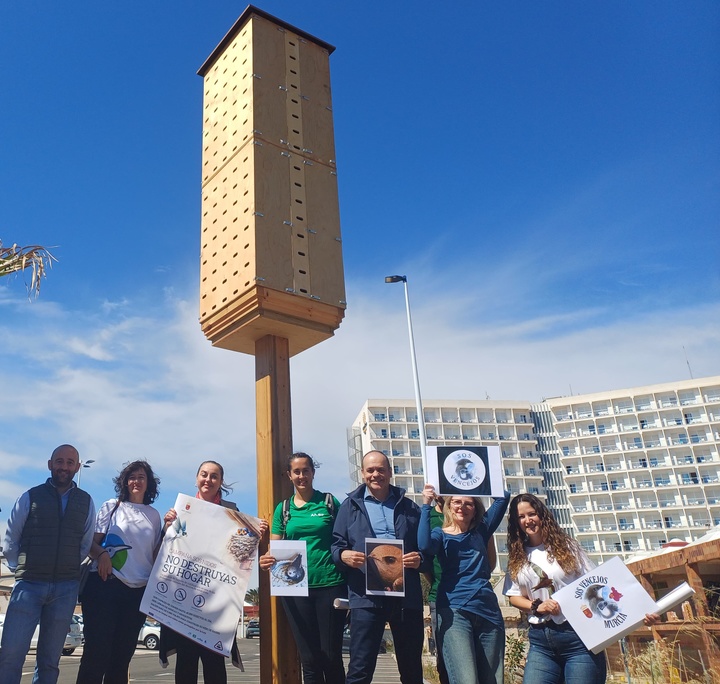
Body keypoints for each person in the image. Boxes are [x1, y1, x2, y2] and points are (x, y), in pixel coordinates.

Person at [503, 493, 659, 684]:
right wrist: (537, 607)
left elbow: (599, 583)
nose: (528, 520)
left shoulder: (567, 547)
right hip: (541, 642)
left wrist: (638, 612)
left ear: (542, 515)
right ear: (516, 522)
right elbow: (514, 596)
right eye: (521, 517)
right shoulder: (516, 557)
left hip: (578, 637)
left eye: (532, 513)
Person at [159, 460, 266, 684]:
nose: (208, 480)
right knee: (186, 662)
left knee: (214, 663)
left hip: (217, 602)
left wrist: (257, 531)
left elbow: (240, 552)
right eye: (204, 475)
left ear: (221, 482)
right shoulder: (181, 510)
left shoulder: (233, 512)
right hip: (186, 598)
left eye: (214, 476)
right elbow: (169, 550)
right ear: (196, 478)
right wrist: (167, 527)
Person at [0, 444, 95, 684]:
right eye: (59, 461)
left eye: (70, 462)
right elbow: (12, 537)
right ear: (50, 464)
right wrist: (17, 569)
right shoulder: (30, 496)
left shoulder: (86, 501)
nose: (64, 466)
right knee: (11, 655)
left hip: (65, 590)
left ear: (77, 467)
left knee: (50, 661)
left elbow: (85, 544)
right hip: (29, 585)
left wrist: (67, 567)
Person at [331, 450, 427, 684]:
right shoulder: (349, 506)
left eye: (381, 469)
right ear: (362, 473)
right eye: (370, 470)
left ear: (390, 472)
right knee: (360, 668)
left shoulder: (409, 507)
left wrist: (420, 559)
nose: (376, 474)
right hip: (365, 597)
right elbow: (336, 545)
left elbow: (425, 547)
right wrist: (344, 555)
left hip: (406, 597)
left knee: (412, 668)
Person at [259, 452, 346, 684]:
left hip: (330, 584)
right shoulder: (283, 509)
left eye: (305, 470)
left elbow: (344, 538)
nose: (301, 476)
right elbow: (274, 548)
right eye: (296, 471)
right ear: (289, 475)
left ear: (313, 473)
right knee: (309, 659)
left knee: (331, 656)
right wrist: (267, 559)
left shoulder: (328, 502)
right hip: (295, 589)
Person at [76, 460, 163, 684]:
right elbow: (90, 544)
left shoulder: (154, 516)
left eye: (141, 477)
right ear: (125, 482)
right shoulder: (111, 506)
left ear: (148, 483)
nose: (136, 481)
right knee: (96, 654)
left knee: (122, 658)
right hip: (105, 585)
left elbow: (153, 557)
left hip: (137, 593)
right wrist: (103, 554)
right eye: (132, 477)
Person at [419, 484, 509, 684]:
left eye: (469, 503)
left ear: (475, 509)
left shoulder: (481, 530)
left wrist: (478, 477)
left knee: (492, 680)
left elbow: (503, 497)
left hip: (488, 613)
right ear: (449, 506)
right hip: (454, 611)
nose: (462, 507)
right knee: (466, 680)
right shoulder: (439, 534)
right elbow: (424, 546)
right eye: (457, 502)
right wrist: (426, 504)